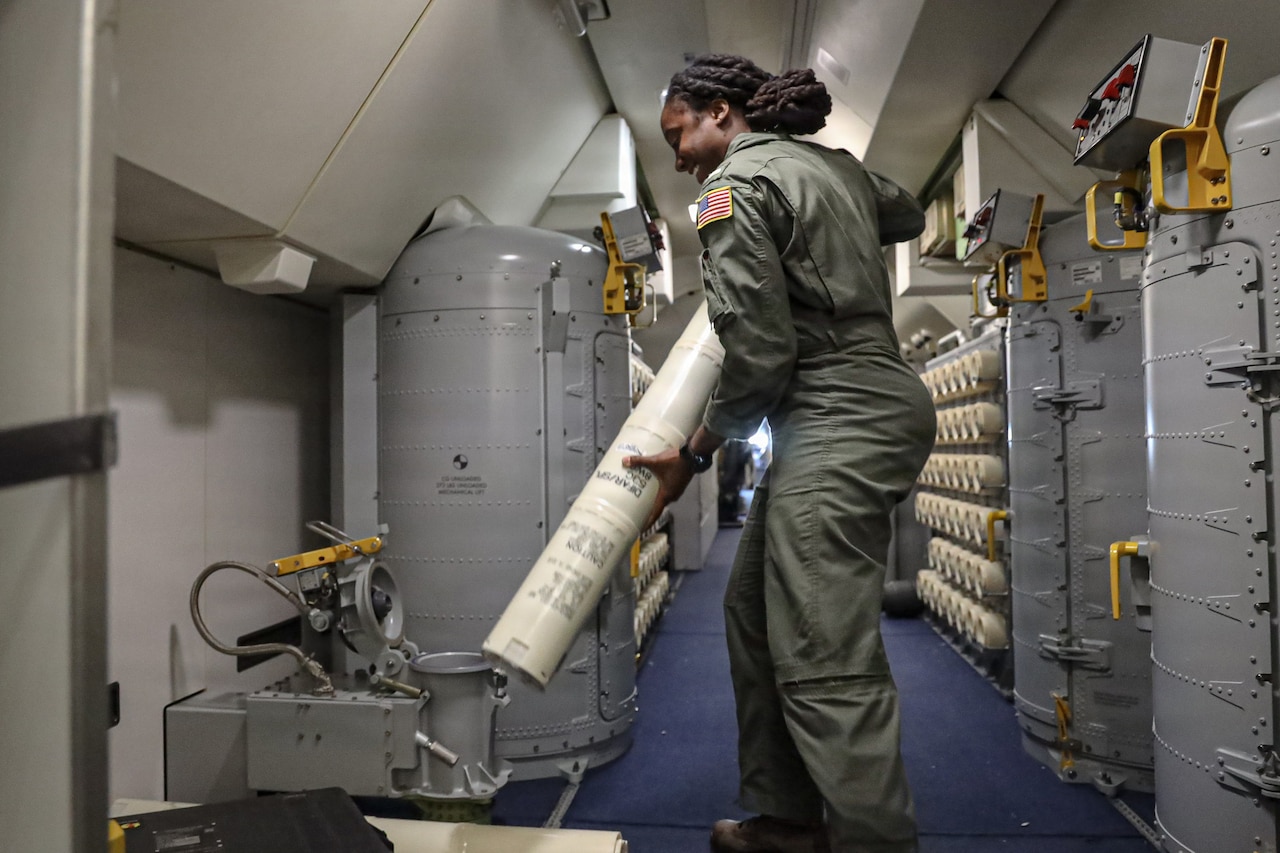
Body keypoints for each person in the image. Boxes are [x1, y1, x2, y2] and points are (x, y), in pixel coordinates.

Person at [622, 54, 936, 853]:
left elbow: (759, 357)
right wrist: (825, 181)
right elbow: (905, 212)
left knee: (823, 651)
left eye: (679, 133)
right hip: (858, 405)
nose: (680, 156)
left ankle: (875, 843)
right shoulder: (823, 166)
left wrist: (691, 457)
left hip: (840, 410)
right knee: (756, 610)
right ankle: (793, 819)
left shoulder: (728, 191)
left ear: (721, 111)